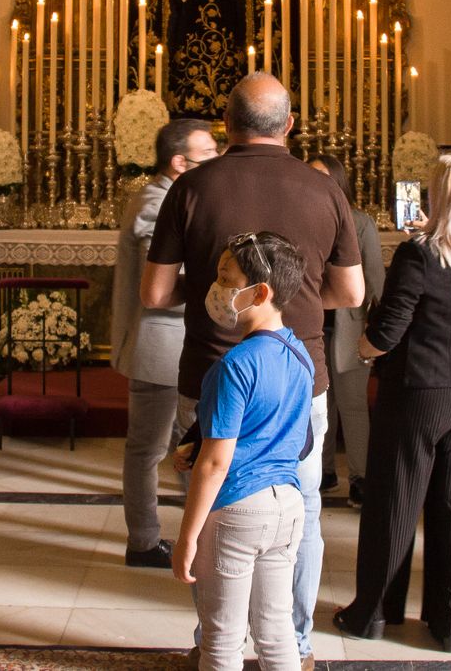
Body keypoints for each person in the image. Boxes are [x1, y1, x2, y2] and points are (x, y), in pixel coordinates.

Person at [143, 72, 364, 670]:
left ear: (227, 123)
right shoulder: (324, 190)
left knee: (214, 508)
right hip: (300, 374)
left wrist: (217, 293)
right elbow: (351, 293)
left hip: (214, 370)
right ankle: (295, 646)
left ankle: (214, 643)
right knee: (302, 512)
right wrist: (290, 298)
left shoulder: (191, 186)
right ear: (289, 124)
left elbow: (155, 291)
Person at [334, 155, 451, 653]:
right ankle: (449, 622)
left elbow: (389, 329)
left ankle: (373, 613)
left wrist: (363, 350)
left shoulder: (421, 254)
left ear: (441, 197)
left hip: (420, 392)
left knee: (395, 501)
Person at [173, 232, 313, 671]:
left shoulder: (234, 365)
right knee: (276, 633)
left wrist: (187, 536)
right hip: (287, 506)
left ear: (260, 292)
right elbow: (295, 437)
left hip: (237, 509)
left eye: (225, 279)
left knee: (222, 640)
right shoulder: (301, 354)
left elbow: (216, 463)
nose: (216, 289)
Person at [112, 118, 219, 568]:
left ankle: (198, 535)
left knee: (188, 445)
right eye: (208, 154)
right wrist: (220, 279)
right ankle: (143, 542)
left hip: (180, 346)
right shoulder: (156, 204)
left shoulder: (175, 196)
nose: (217, 160)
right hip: (161, 346)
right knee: (147, 450)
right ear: (179, 162)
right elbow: (158, 285)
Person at [307, 153, 383, 506]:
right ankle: (323, 472)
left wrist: (374, 328)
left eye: (323, 176)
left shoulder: (360, 222)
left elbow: (375, 279)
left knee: (352, 405)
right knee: (319, 405)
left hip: (349, 326)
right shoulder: (301, 216)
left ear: (338, 181)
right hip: (312, 325)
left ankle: (361, 477)